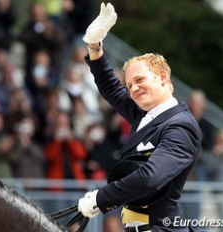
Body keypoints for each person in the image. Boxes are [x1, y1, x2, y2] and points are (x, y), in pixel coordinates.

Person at [77, 3, 202, 232]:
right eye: (130, 84)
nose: (133, 89)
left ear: (162, 77)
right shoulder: (146, 114)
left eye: (140, 80)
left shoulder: (181, 126)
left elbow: (150, 178)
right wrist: (94, 47)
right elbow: (112, 89)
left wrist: (101, 198)